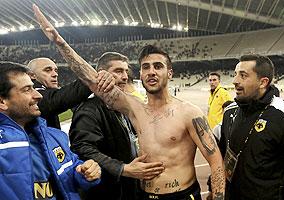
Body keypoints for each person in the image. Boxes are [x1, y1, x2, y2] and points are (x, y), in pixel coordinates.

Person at [33, 5, 225, 200]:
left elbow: (215, 159)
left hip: (181, 195)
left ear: (170, 73)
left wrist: (217, 197)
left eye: (158, 66)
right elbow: (92, 80)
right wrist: (60, 42)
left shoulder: (188, 112)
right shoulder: (134, 108)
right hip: (143, 195)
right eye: (146, 67)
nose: (151, 71)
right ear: (140, 74)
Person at [69, 52, 164, 200]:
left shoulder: (124, 107)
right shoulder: (89, 110)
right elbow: (83, 149)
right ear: (101, 74)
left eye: (126, 71)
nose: (125, 77)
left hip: (128, 189)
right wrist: (123, 169)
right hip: (106, 192)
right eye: (118, 71)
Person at [0, 61, 101, 200]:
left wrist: (85, 172)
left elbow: (72, 171)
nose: (39, 95)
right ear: (2, 102)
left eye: (33, 88)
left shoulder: (55, 136)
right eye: (27, 89)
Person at [218, 54, 284, 199]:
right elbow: (223, 154)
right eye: (235, 74)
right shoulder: (229, 112)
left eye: (243, 76)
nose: (235, 81)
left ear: (263, 82)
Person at [28, 57, 92, 129]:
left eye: (56, 70)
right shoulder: (31, 92)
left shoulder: (45, 90)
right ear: (32, 75)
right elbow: (57, 99)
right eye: (48, 70)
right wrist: (91, 80)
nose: (55, 74)